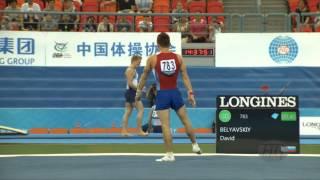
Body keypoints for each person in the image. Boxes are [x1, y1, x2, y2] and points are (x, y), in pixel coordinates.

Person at [135, 32, 202, 162]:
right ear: (169, 43)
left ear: (158, 44)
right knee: (186, 120)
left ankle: (170, 154)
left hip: (162, 94)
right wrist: (190, 93)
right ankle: (195, 145)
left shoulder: (153, 59)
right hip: (175, 93)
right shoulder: (178, 57)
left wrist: (138, 91)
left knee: (165, 125)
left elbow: (144, 76)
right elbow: (185, 76)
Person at [121, 55, 148, 136]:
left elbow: (133, 83)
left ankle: (124, 131)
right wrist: (139, 89)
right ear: (134, 60)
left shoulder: (132, 70)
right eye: (138, 62)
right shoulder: (130, 70)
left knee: (128, 111)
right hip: (132, 92)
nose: (139, 64)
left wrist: (139, 87)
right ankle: (139, 131)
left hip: (130, 92)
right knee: (141, 110)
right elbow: (130, 84)